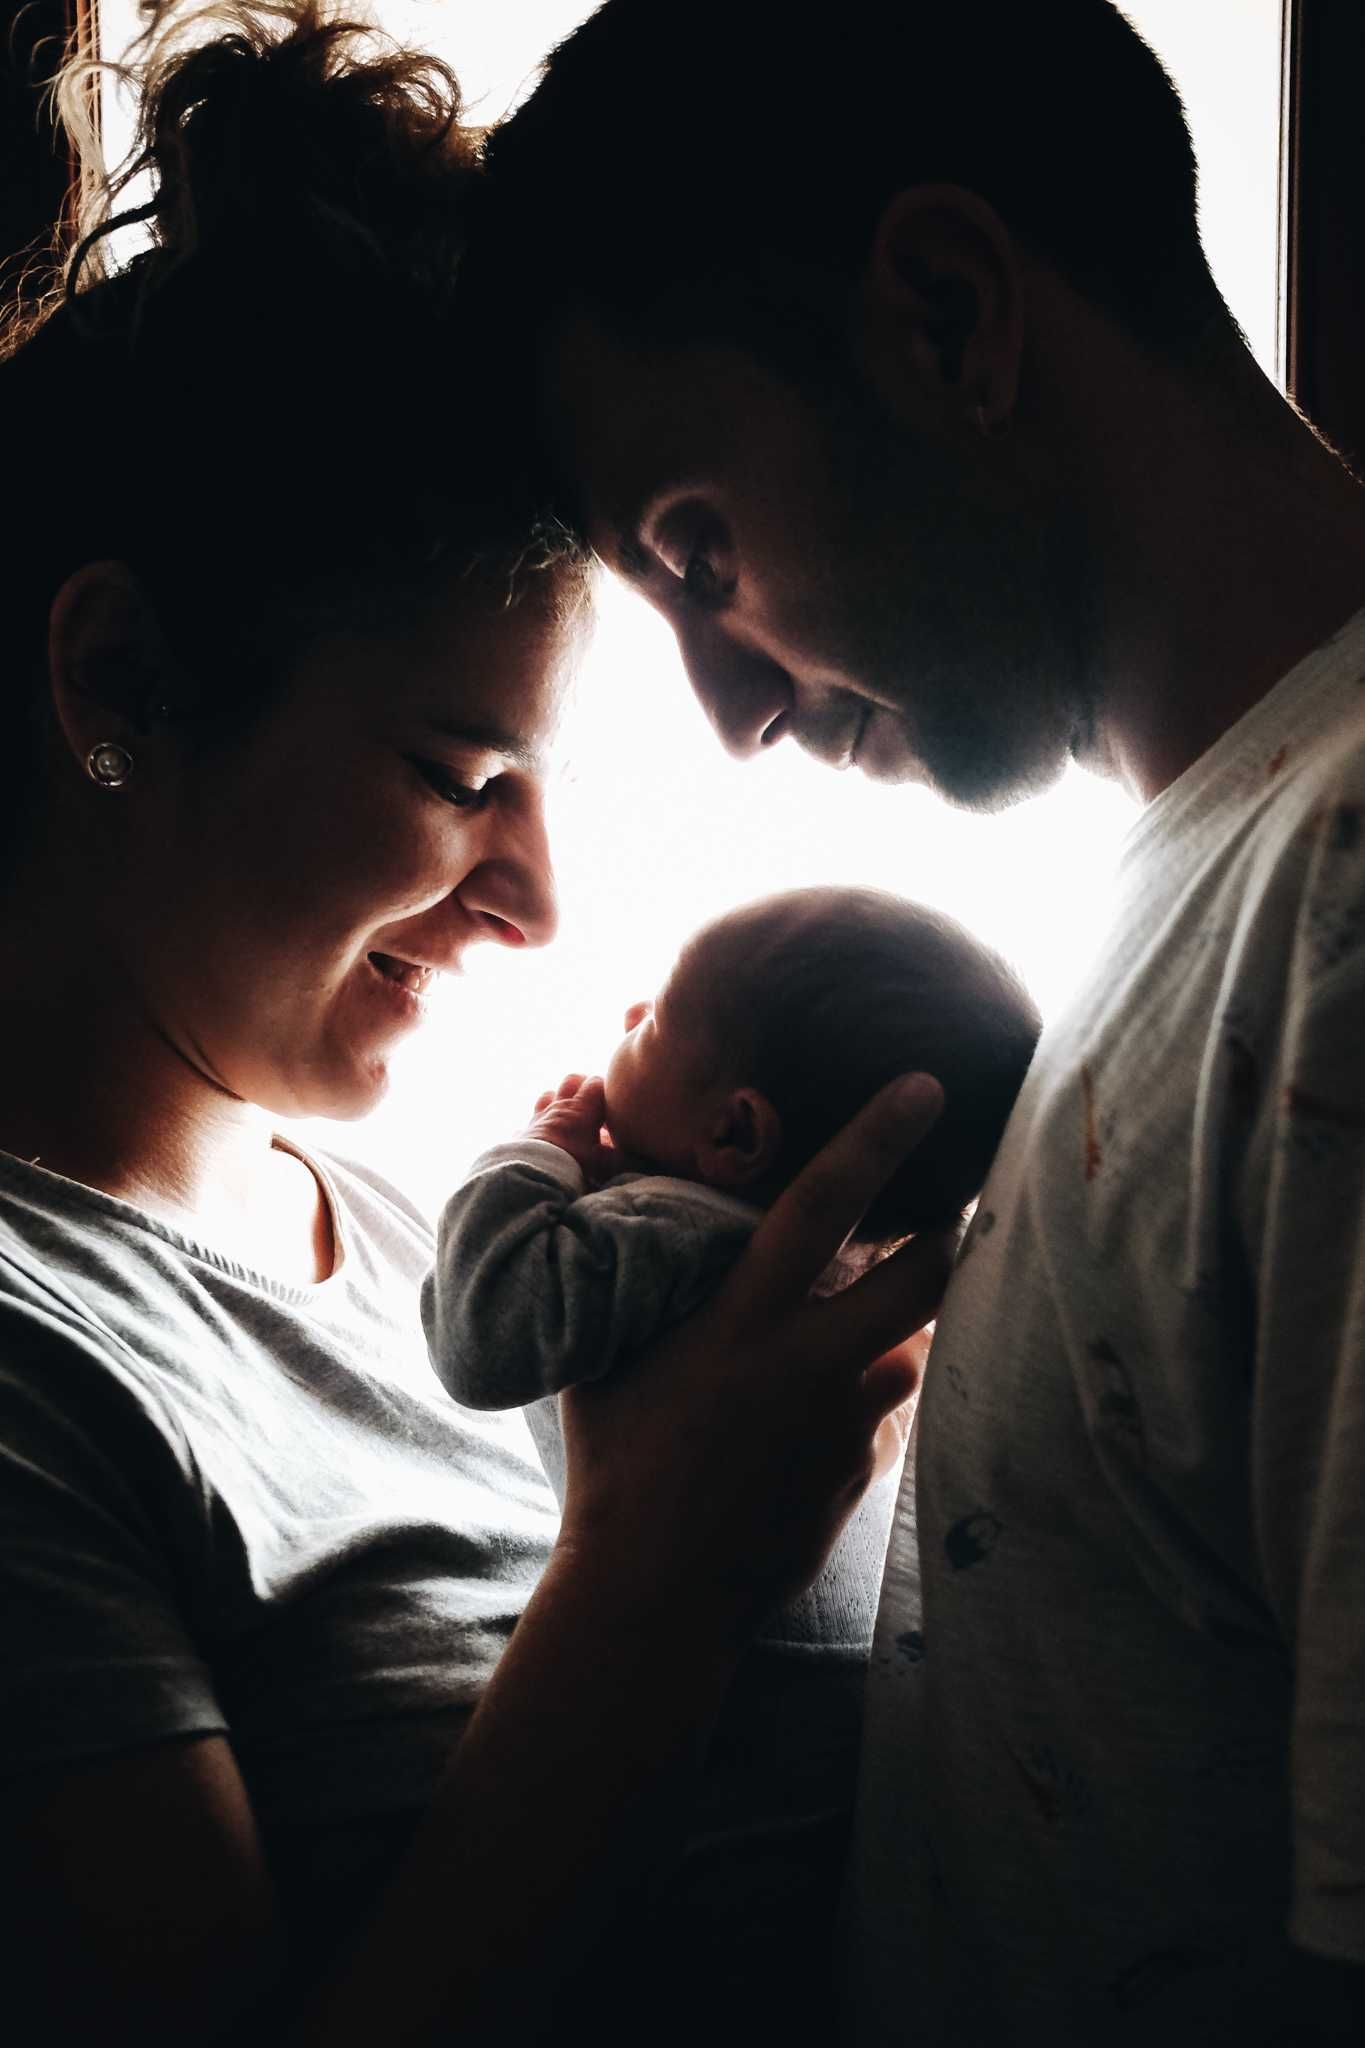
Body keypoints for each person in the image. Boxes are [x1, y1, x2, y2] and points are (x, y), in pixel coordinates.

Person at [0, 7, 953, 2045]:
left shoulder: (430, 1218)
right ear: (118, 684)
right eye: (456, 776)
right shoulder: (29, 1379)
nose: (531, 899)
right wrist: (652, 1580)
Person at [483, 2, 1365, 2041]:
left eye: (697, 551)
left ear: (953, 315)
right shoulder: (1210, 871)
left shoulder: (1334, 894)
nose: (730, 704)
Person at [423, 886, 1039, 2035]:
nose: (629, 1013)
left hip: (687, 1788)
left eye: (656, 1023)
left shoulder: (672, 1229)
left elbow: (481, 1330)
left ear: (738, 1133)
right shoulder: (843, 1280)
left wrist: (536, 1156)